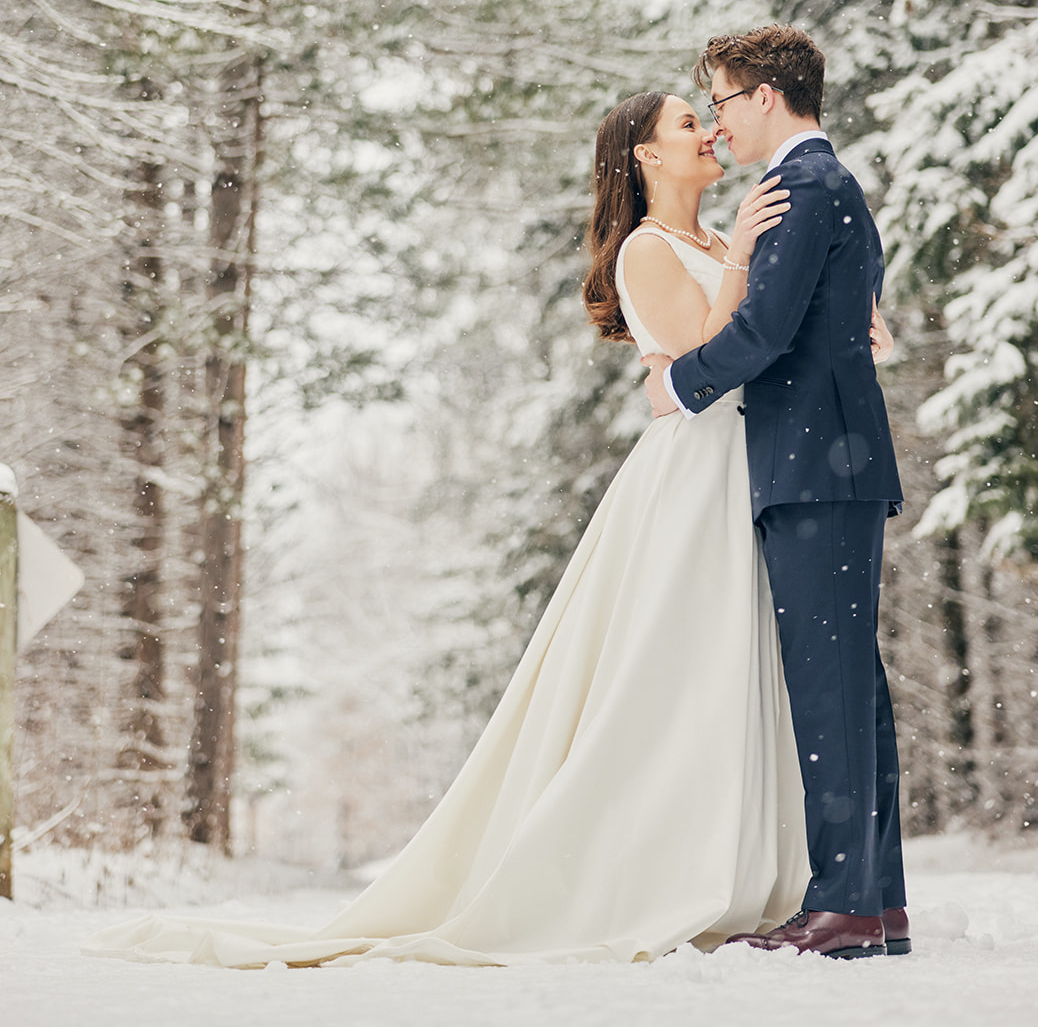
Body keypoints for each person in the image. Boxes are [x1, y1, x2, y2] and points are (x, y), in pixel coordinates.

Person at [85, 90, 811, 969]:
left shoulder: (712, 242)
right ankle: (654, 869)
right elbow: (702, 349)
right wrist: (744, 254)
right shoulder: (648, 251)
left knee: (731, 662)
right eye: (686, 124)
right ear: (646, 157)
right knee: (676, 667)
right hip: (692, 477)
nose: (706, 131)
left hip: (741, 464)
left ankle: (738, 858)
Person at [643, 25, 909, 960]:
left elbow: (760, 335)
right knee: (851, 685)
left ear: (763, 97)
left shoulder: (801, 187)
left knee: (829, 687)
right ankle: (874, 900)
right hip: (828, 460)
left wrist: (676, 384)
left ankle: (842, 908)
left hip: (815, 464)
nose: (716, 121)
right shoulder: (824, 184)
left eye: (718, 99)